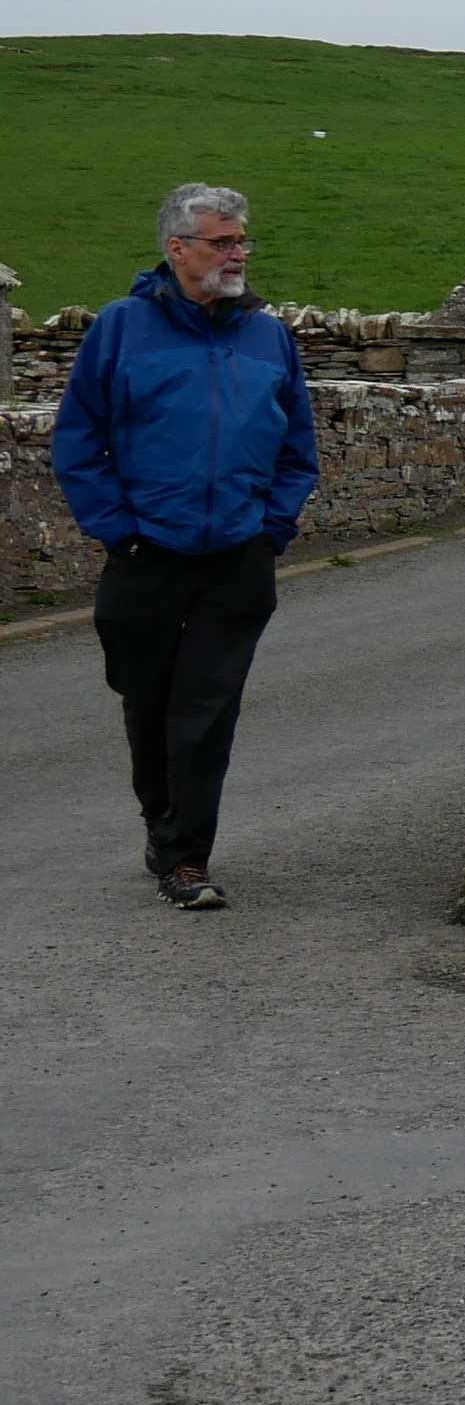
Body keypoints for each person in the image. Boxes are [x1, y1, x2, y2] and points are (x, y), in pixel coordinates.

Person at [52, 183, 317, 911]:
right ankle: (163, 825)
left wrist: (272, 529)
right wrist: (119, 530)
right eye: (221, 242)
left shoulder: (268, 335)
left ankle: (186, 859)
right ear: (178, 249)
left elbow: (299, 447)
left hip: (238, 555)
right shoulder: (120, 328)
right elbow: (78, 440)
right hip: (146, 553)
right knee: (146, 701)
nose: (237, 254)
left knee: (206, 706)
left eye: (241, 241)